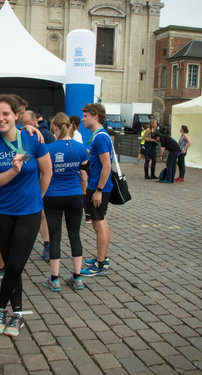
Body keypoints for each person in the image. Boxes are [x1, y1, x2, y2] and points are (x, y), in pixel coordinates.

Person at [0, 94, 52, 336]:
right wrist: (14, 172)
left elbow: (47, 172)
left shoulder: (33, 138)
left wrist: (38, 198)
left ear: (16, 115)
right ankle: (17, 314)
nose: (1, 118)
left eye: (6, 113)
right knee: (12, 265)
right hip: (3, 212)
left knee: (15, 265)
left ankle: (0, 308)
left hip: (29, 212)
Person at [41, 112, 89, 292]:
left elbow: (45, 173)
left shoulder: (49, 149)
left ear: (54, 127)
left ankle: (54, 279)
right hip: (75, 196)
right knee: (74, 235)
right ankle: (77, 277)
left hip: (53, 196)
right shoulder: (80, 148)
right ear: (69, 126)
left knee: (55, 236)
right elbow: (84, 176)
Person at [80, 104, 113, 277]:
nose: (83, 119)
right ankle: (102, 258)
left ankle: (100, 264)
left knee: (98, 224)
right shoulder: (100, 136)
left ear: (95, 116)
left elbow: (107, 165)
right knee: (101, 222)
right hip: (98, 186)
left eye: (85, 115)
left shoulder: (100, 137)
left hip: (98, 187)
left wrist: (99, 190)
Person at [22, 109, 53, 260]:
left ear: (35, 121)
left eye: (27, 123)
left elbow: (48, 165)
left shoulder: (44, 135)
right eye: (22, 124)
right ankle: (29, 240)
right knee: (37, 214)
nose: (25, 126)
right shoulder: (26, 133)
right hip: (32, 183)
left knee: (41, 214)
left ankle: (48, 245)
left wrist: (41, 191)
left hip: (43, 182)